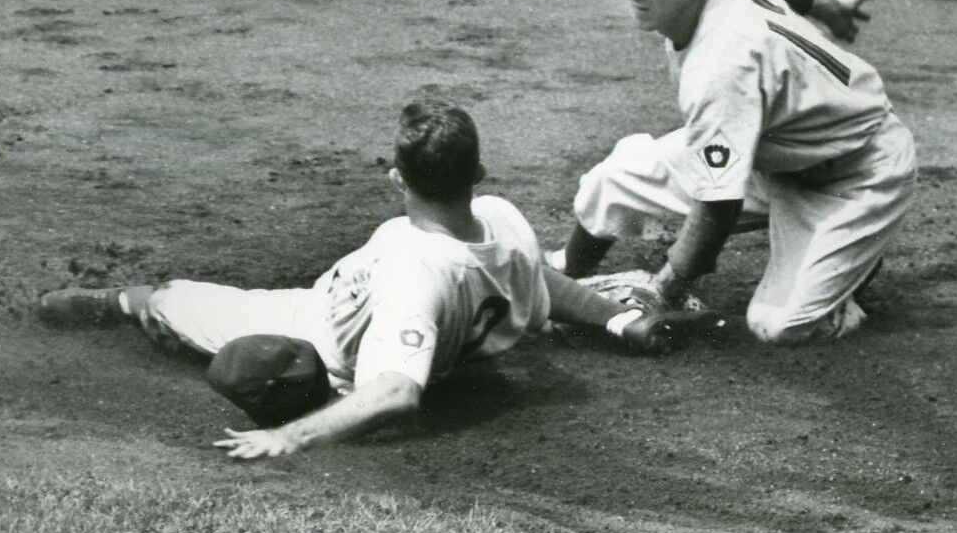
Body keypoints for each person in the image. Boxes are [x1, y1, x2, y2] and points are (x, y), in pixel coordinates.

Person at [38, 98, 715, 458]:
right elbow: (541, 282)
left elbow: (394, 393)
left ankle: (119, 304)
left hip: (320, 335)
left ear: (397, 180)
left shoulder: (414, 272)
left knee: (186, 311)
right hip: (410, 326)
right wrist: (618, 317)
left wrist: (290, 437)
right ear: (477, 176)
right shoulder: (503, 219)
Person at [550, 0, 917, 343]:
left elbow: (717, 208)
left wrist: (665, 290)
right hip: (773, 151)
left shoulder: (721, 67)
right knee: (612, 180)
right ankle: (564, 273)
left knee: (778, 327)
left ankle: (850, 262)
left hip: (856, 176)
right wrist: (831, 5)